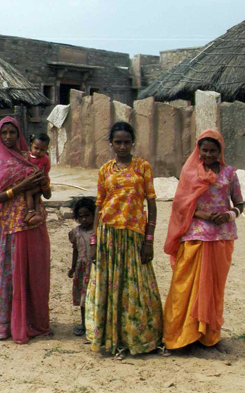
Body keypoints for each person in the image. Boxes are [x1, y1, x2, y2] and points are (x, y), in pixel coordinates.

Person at [86, 121, 166, 360]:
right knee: (110, 288)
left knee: (138, 289)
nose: (122, 146)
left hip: (134, 235)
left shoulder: (142, 167)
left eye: (127, 142)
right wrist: (93, 240)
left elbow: (151, 203)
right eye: (118, 142)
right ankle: (113, 340)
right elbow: (99, 204)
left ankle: (141, 339)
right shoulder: (104, 170)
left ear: (133, 143)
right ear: (111, 143)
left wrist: (149, 240)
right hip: (108, 235)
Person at [163, 130, 244, 350]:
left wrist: (228, 215)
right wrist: (202, 214)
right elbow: (180, 204)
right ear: (198, 150)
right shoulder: (190, 173)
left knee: (214, 288)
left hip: (221, 236)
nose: (208, 155)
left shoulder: (229, 174)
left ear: (220, 151)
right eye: (204, 150)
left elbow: (239, 204)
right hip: (194, 234)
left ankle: (208, 336)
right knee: (185, 285)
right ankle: (182, 335)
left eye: (213, 150)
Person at [0, 116, 52, 344]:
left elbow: (45, 191)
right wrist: (19, 188)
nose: (8, 137)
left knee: (33, 274)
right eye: (4, 133)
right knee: (11, 276)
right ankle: (7, 325)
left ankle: (33, 323)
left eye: (12, 132)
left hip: (32, 223)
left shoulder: (29, 158)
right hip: (11, 227)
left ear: (19, 134)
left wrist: (42, 183)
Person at [67, 197, 96, 337]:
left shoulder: (98, 231)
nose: (84, 219)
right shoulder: (76, 232)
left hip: (95, 269)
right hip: (82, 269)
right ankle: (84, 324)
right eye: (81, 216)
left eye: (87, 216)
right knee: (83, 299)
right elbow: (75, 250)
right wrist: (73, 268)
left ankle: (96, 323)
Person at [24, 133, 52, 225]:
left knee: (30, 193)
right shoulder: (27, 156)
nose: (38, 151)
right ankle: (37, 214)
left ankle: (31, 211)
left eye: (42, 150)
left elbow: (43, 170)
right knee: (36, 196)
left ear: (46, 150)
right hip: (32, 180)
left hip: (39, 181)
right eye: (36, 148)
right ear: (31, 145)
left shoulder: (45, 159)